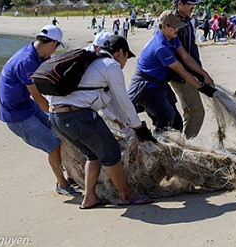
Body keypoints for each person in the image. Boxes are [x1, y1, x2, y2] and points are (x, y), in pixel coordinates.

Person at [49, 35, 157, 209]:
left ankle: (90, 198)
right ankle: (126, 195)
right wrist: (138, 127)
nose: (125, 62)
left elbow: (114, 104)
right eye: (126, 57)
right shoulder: (111, 66)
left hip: (56, 118)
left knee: (94, 154)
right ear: (120, 52)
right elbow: (123, 100)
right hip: (77, 116)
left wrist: (133, 128)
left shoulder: (91, 63)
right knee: (112, 152)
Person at [0, 25, 81, 197]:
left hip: (27, 106)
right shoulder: (26, 61)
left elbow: (51, 80)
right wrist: (57, 113)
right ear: (53, 43)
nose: (54, 51)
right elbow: (38, 95)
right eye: (56, 46)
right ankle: (62, 183)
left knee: (61, 135)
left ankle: (71, 175)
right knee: (54, 145)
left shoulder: (37, 54)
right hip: (17, 116)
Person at [128, 10, 216, 135]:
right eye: (175, 27)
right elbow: (182, 71)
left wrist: (204, 75)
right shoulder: (160, 47)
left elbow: (186, 57)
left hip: (159, 83)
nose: (177, 30)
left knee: (177, 124)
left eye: (178, 27)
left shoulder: (172, 37)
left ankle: (168, 147)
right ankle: (157, 147)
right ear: (164, 26)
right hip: (146, 85)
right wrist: (201, 88)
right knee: (166, 116)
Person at [167, 0, 216, 137]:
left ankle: (185, 141)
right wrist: (197, 76)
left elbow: (192, 48)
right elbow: (180, 55)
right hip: (179, 74)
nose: (192, 9)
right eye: (190, 5)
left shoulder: (187, 21)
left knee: (189, 110)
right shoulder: (172, 23)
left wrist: (200, 72)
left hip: (188, 72)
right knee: (196, 112)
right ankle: (187, 145)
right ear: (180, 4)